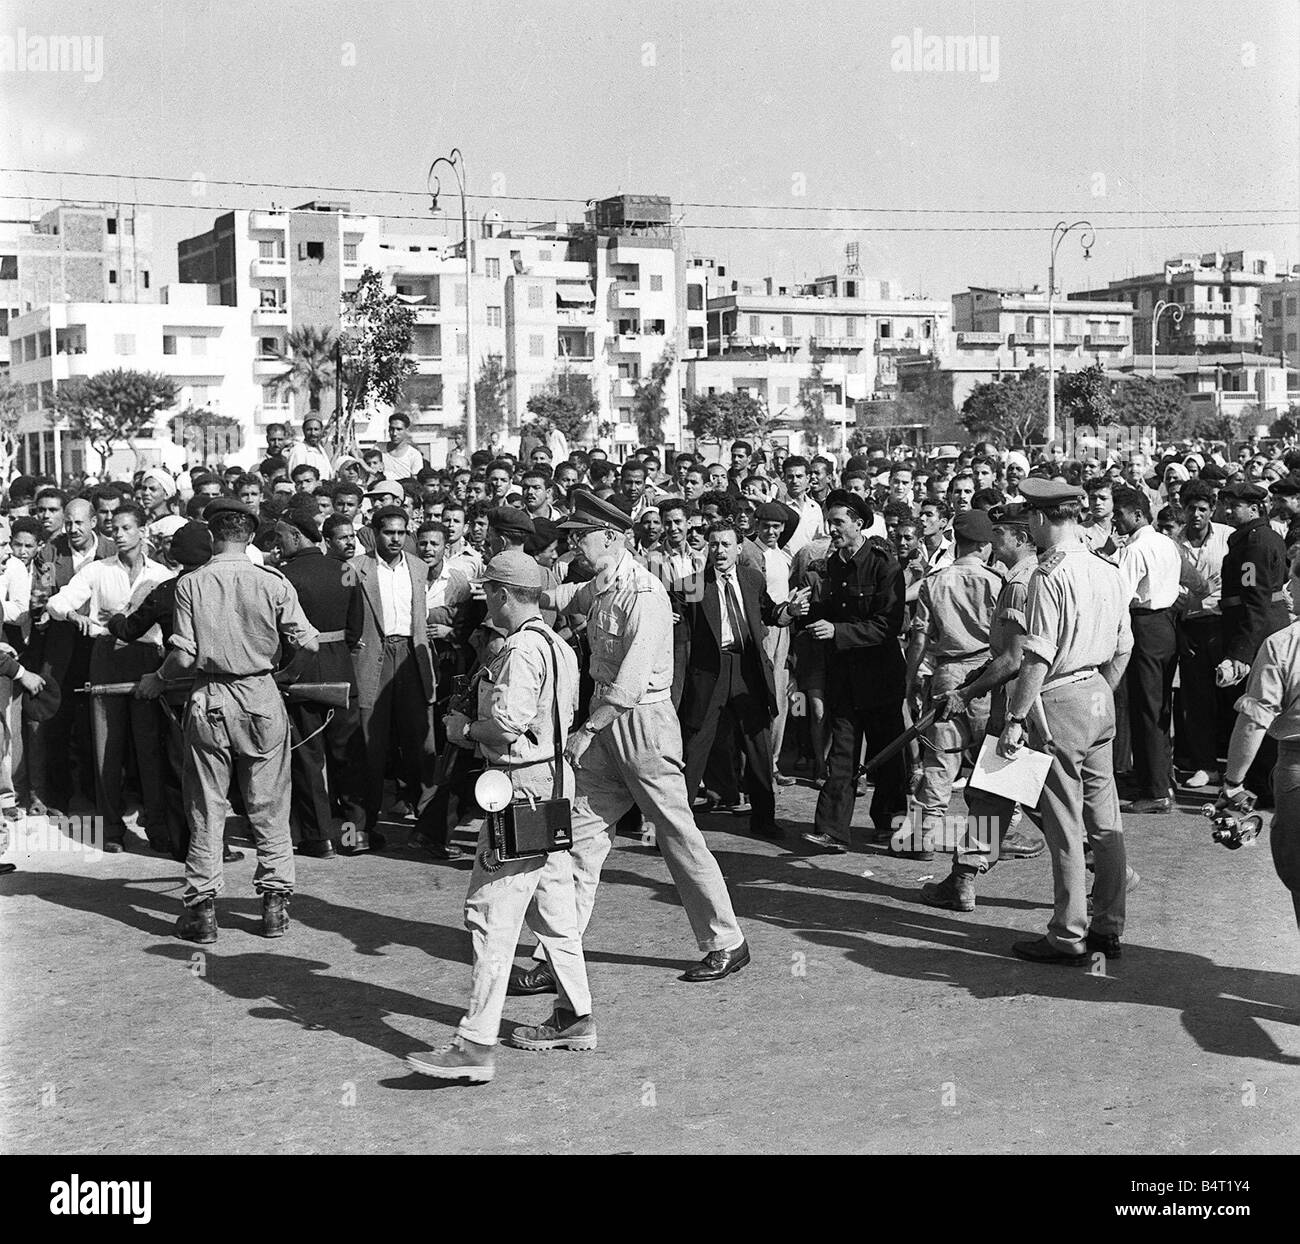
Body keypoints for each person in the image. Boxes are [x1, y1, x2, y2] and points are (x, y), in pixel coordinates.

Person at [519, 489, 750, 988]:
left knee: (677, 835)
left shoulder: (644, 593)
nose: (574, 544)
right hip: (608, 721)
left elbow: (630, 682)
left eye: (581, 537)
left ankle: (726, 941)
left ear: (613, 537)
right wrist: (512, 589)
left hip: (639, 722)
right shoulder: (600, 584)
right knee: (579, 839)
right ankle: (556, 952)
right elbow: (558, 598)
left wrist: (586, 731)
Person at [407, 551, 593, 1082]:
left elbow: (506, 726)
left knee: (490, 914)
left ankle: (475, 1044)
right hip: (552, 785)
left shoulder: (517, 651)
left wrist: (462, 729)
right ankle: (575, 1016)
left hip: (519, 789)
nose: (487, 601)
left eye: (490, 592)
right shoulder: (559, 645)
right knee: (555, 913)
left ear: (504, 595)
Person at [143, 498, 319, 943]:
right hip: (261, 695)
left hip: (210, 698)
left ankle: (202, 911)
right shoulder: (271, 581)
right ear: (250, 535)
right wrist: (283, 676)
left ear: (213, 534)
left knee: (206, 805)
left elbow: (183, 654)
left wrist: (158, 678)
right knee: (269, 805)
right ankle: (275, 906)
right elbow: (309, 645)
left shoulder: (191, 584)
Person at [996, 479, 1133, 963]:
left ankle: (1068, 933)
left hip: (1058, 698)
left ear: (1037, 518)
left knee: (1064, 824)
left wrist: (1015, 718)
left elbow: (1036, 656)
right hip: (1098, 693)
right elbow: (1124, 645)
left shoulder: (1047, 575)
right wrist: (1100, 691)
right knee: (1105, 819)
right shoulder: (1107, 568)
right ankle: (1108, 926)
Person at [918, 503, 1046, 912]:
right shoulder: (1005, 579)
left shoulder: (1020, 581)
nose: (995, 542)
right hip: (998, 689)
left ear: (1020, 537)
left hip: (1012, 696)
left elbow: (1013, 658)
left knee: (1040, 796)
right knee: (993, 788)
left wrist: (965, 692)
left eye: (1002, 534)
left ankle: (1103, 863)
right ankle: (963, 876)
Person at [46, 504, 175, 851]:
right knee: (108, 748)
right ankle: (112, 831)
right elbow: (56, 604)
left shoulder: (161, 575)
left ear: (142, 532)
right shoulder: (97, 570)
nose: (117, 534)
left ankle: (158, 828)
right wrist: (77, 616)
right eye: (113, 528)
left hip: (147, 660)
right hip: (105, 658)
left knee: (149, 748)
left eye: (125, 528)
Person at [795, 490, 908, 854]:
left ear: (859, 524)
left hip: (879, 677)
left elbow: (887, 626)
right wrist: (806, 611)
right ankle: (832, 830)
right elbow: (832, 611)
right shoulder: (835, 564)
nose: (833, 529)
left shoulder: (883, 565)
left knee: (887, 754)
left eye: (839, 522)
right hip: (844, 676)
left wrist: (838, 632)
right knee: (841, 753)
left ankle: (891, 824)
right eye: (830, 523)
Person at [675, 519, 790, 840]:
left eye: (726, 544)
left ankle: (765, 819)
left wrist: (790, 611)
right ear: (706, 549)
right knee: (695, 745)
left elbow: (769, 613)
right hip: (709, 672)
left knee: (758, 743)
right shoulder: (694, 584)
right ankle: (677, 829)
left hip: (747, 668)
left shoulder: (752, 578)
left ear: (739, 548)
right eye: (713, 544)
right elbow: (675, 611)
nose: (719, 550)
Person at [903, 508, 1002, 860]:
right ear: (985, 546)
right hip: (988, 675)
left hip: (946, 673)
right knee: (991, 759)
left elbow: (918, 638)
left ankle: (923, 836)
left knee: (940, 758)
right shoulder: (996, 580)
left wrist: (912, 679)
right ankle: (991, 837)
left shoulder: (935, 580)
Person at [346, 504, 437, 847]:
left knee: (423, 742)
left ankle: (429, 829)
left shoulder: (418, 566)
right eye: (389, 532)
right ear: (374, 534)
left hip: (412, 658)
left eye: (401, 532)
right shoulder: (355, 568)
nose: (396, 539)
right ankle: (358, 831)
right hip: (372, 658)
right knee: (368, 746)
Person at [276, 513, 366, 859]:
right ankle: (352, 836)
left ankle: (318, 838)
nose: (278, 543)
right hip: (342, 669)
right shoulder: (345, 570)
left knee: (308, 759)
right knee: (348, 757)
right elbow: (355, 628)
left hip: (301, 676)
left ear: (297, 536)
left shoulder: (284, 575)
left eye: (282, 536)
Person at [1218, 613, 1300, 928]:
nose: (1287, 589)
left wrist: (1233, 783)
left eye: (1293, 579)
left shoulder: (1283, 644)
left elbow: (1253, 721)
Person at [1112, 486, 1182, 814]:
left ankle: (1155, 791)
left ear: (1138, 514)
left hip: (1145, 624)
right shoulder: (1166, 542)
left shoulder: (1134, 548)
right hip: (1166, 625)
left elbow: (1120, 596)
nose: (1115, 519)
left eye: (1120, 513)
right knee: (1158, 705)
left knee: (1147, 708)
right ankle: (1155, 778)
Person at [285, 416, 334, 481]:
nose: (313, 433)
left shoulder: (320, 450)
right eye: (309, 429)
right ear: (303, 430)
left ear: (321, 430)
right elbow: (294, 478)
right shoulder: (298, 451)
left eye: (316, 429)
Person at [380, 413, 425, 479]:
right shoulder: (378, 448)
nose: (394, 433)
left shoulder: (414, 455)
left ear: (406, 430)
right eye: (392, 429)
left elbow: (415, 483)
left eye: (399, 429)